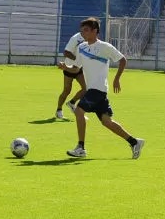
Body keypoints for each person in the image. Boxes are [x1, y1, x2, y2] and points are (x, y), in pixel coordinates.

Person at [57, 18, 144, 159]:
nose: (83, 33)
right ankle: (134, 142)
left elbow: (122, 60)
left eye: (86, 30)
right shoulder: (81, 47)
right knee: (106, 122)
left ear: (95, 31)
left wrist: (116, 79)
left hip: (98, 89)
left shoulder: (104, 47)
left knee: (79, 111)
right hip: (94, 90)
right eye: (82, 30)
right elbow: (76, 68)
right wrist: (65, 67)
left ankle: (81, 148)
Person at [56, 29, 87, 120]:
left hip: (79, 68)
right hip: (69, 67)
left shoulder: (90, 38)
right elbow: (66, 52)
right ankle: (59, 110)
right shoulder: (75, 38)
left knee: (86, 88)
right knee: (66, 91)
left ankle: (72, 103)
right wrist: (76, 59)